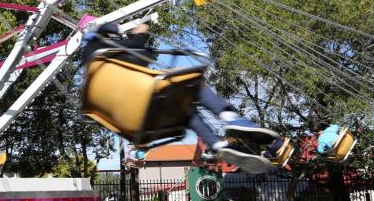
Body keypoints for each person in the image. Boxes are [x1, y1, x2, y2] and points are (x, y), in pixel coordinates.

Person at [80, 22, 280, 173]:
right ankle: (228, 116)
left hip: (132, 124)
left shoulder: (91, 65)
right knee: (190, 87)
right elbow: (138, 47)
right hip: (143, 100)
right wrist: (139, 31)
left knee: (186, 111)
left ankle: (217, 144)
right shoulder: (111, 53)